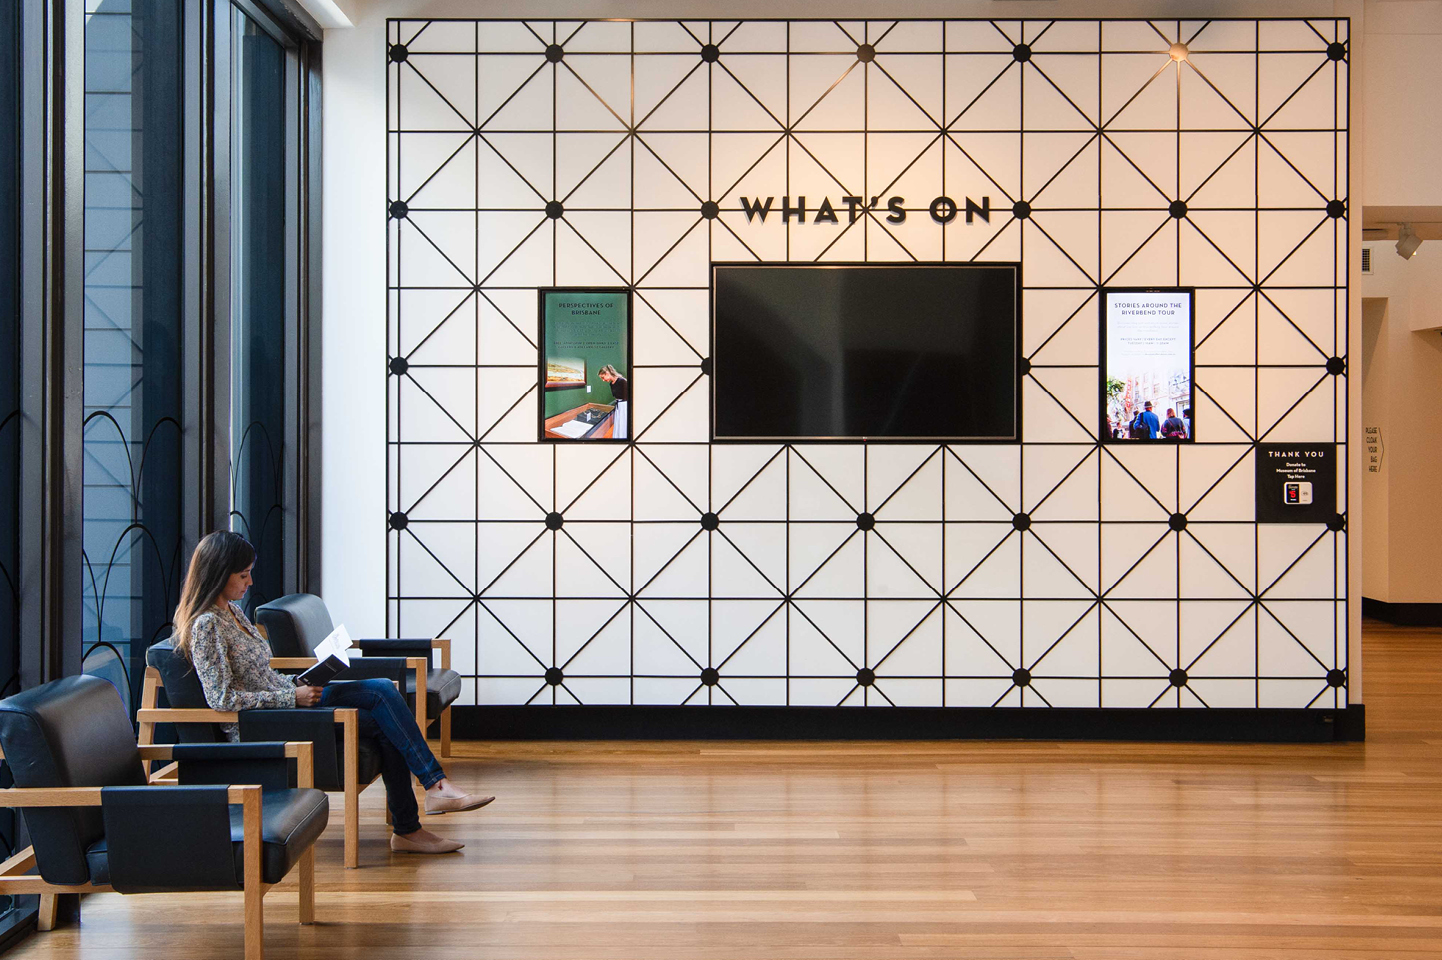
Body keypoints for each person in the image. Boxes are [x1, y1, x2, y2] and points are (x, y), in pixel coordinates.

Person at [172, 531, 493, 854]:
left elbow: (259, 676)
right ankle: (433, 792)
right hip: (265, 723)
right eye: (243, 575)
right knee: (382, 692)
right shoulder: (206, 626)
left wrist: (296, 683)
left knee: (385, 713)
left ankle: (412, 825)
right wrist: (290, 697)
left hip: (285, 702)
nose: (250, 582)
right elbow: (222, 700)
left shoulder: (232, 611)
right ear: (217, 573)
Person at [599, 364, 629, 439]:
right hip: (619, 406)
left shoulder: (622, 381)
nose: (603, 380)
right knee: (618, 423)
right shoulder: (611, 384)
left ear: (607, 373)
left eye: (603, 377)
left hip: (625, 406)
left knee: (623, 423)